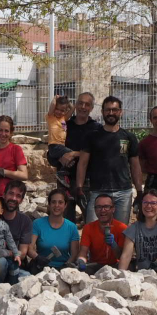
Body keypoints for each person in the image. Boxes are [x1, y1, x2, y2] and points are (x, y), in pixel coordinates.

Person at [75, 96, 142, 224]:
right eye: (107, 110)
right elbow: (82, 164)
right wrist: (79, 188)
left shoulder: (129, 137)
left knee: (120, 232)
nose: (111, 113)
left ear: (120, 112)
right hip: (97, 191)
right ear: (102, 112)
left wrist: (139, 191)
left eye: (114, 110)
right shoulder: (92, 136)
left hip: (123, 192)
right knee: (92, 230)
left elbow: (135, 166)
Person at [63, 92, 102, 222]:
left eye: (87, 104)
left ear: (91, 108)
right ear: (75, 104)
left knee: (91, 220)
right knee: (65, 221)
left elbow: (98, 153)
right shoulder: (65, 126)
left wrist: (75, 153)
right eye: (80, 103)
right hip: (65, 179)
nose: (83, 107)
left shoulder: (97, 129)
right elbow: (52, 148)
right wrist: (60, 157)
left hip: (88, 181)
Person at [28, 188, 80, 271]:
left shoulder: (72, 227)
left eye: (60, 202)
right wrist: (37, 257)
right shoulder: (37, 224)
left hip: (63, 268)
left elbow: (74, 254)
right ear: (49, 204)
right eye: (53, 202)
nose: (57, 205)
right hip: (41, 267)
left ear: (65, 205)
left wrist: (66, 266)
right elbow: (29, 248)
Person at [0, 115, 28, 199]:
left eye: (6, 131)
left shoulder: (16, 149)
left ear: (11, 133)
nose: (3, 134)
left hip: (9, 199)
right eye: (0, 130)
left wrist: (2, 172)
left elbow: (24, 175)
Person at [78, 193, 126, 273]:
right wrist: (81, 261)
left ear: (113, 209)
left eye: (106, 207)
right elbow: (83, 252)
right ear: (95, 209)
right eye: (99, 207)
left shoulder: (122, 228)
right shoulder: (88, 228)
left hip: (116, 266)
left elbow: (122, 257)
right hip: (95, 267)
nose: (102, 210)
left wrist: (114, 245)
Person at [0, 180, 34, 270]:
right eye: (11, 193)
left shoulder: (25, 221)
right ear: (4, 195)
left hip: (15, 265)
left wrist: (5, 253)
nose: (14, 198)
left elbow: (22, 253)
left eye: (18, 196)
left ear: (22, 200)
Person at [44, 95, 74, 168]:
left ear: (66, 111)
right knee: (72, 153)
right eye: (57, 109)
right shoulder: (51, 117)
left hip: (61, 146)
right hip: (54, 146)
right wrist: (55, 98)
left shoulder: (64, 118)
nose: (59, 112)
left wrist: (67, 100)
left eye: (62, 110)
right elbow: (53, 105)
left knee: (68, 161)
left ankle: (62, 173)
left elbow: (73, 108)